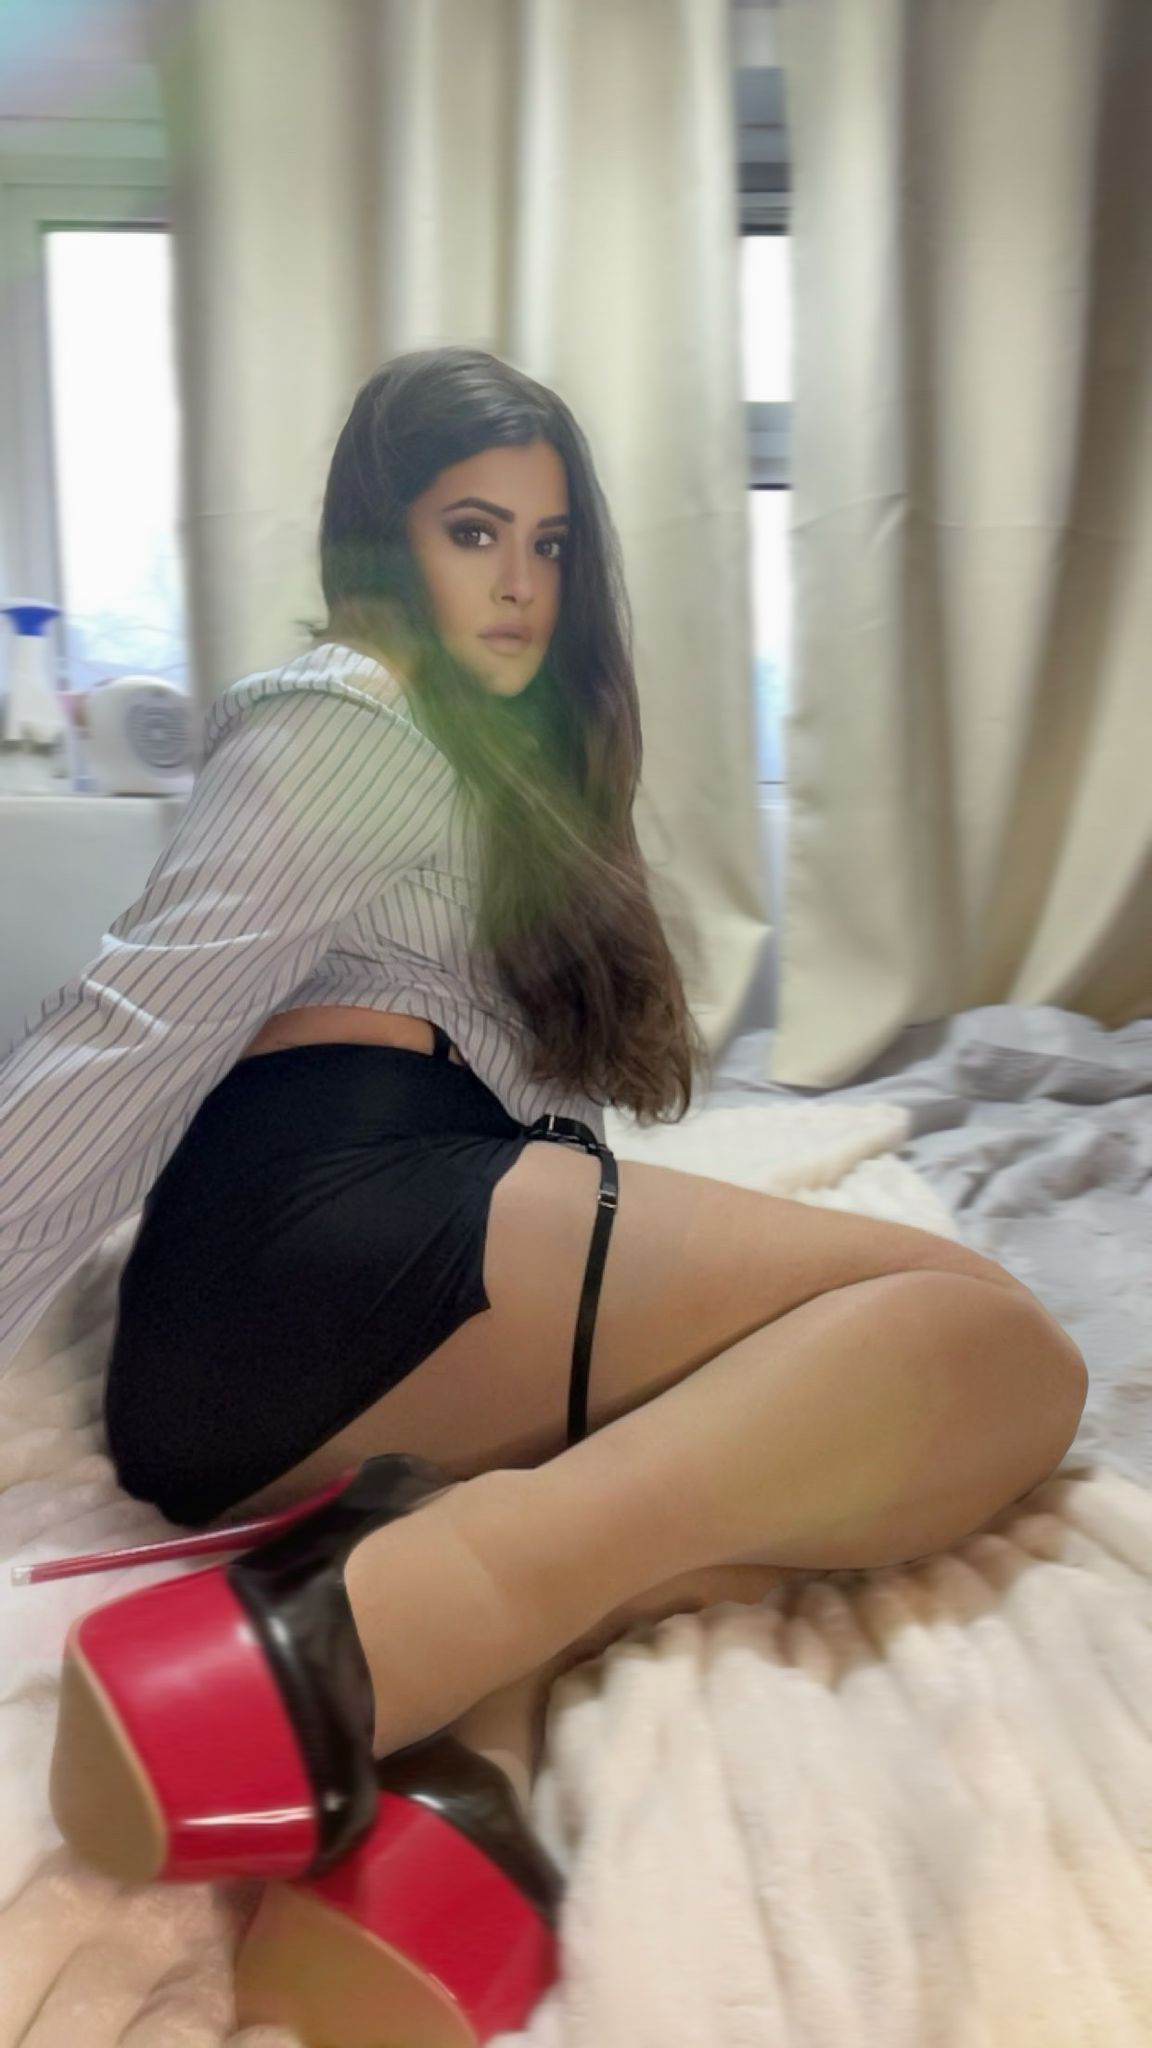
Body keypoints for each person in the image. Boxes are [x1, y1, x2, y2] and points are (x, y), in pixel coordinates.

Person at [3, 347, 1087, 2044]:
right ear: (385, 545)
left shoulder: (497, 770)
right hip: (320, 1237)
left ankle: (434, 1792)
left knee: (794, 1427)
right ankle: (418, 1608)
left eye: (550, 544)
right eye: (473, 532)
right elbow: (122, 1039)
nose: (519, 582)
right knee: (984, 1340)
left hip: (358, 1310)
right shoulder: (345, 720)